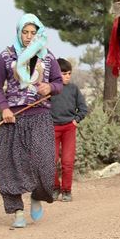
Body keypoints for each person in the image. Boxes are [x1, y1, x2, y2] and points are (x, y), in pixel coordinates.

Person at [0, 14, 63, 229]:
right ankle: (17, 213)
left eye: (33, 32)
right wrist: (4, 108)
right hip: (13, 119)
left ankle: (37, 196)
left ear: (39, 33)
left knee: (44, 163)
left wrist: (50, 87)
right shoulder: (6, 56)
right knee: (9, 166)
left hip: (39, 116)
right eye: (25, 32)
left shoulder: (47, 57)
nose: (29, 37)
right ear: (19, 33)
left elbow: (58, 82)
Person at [50, 58, 88, 202]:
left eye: (69, 73)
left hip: (68, 129)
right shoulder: (49, 90)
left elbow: (83, 108)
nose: (67, 76)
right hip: (52, 129)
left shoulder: (73, 89)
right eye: (64, 73)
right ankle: (55, 188)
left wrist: (76, 120)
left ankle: (66, 190)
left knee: (67, 161)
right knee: (51, 161)